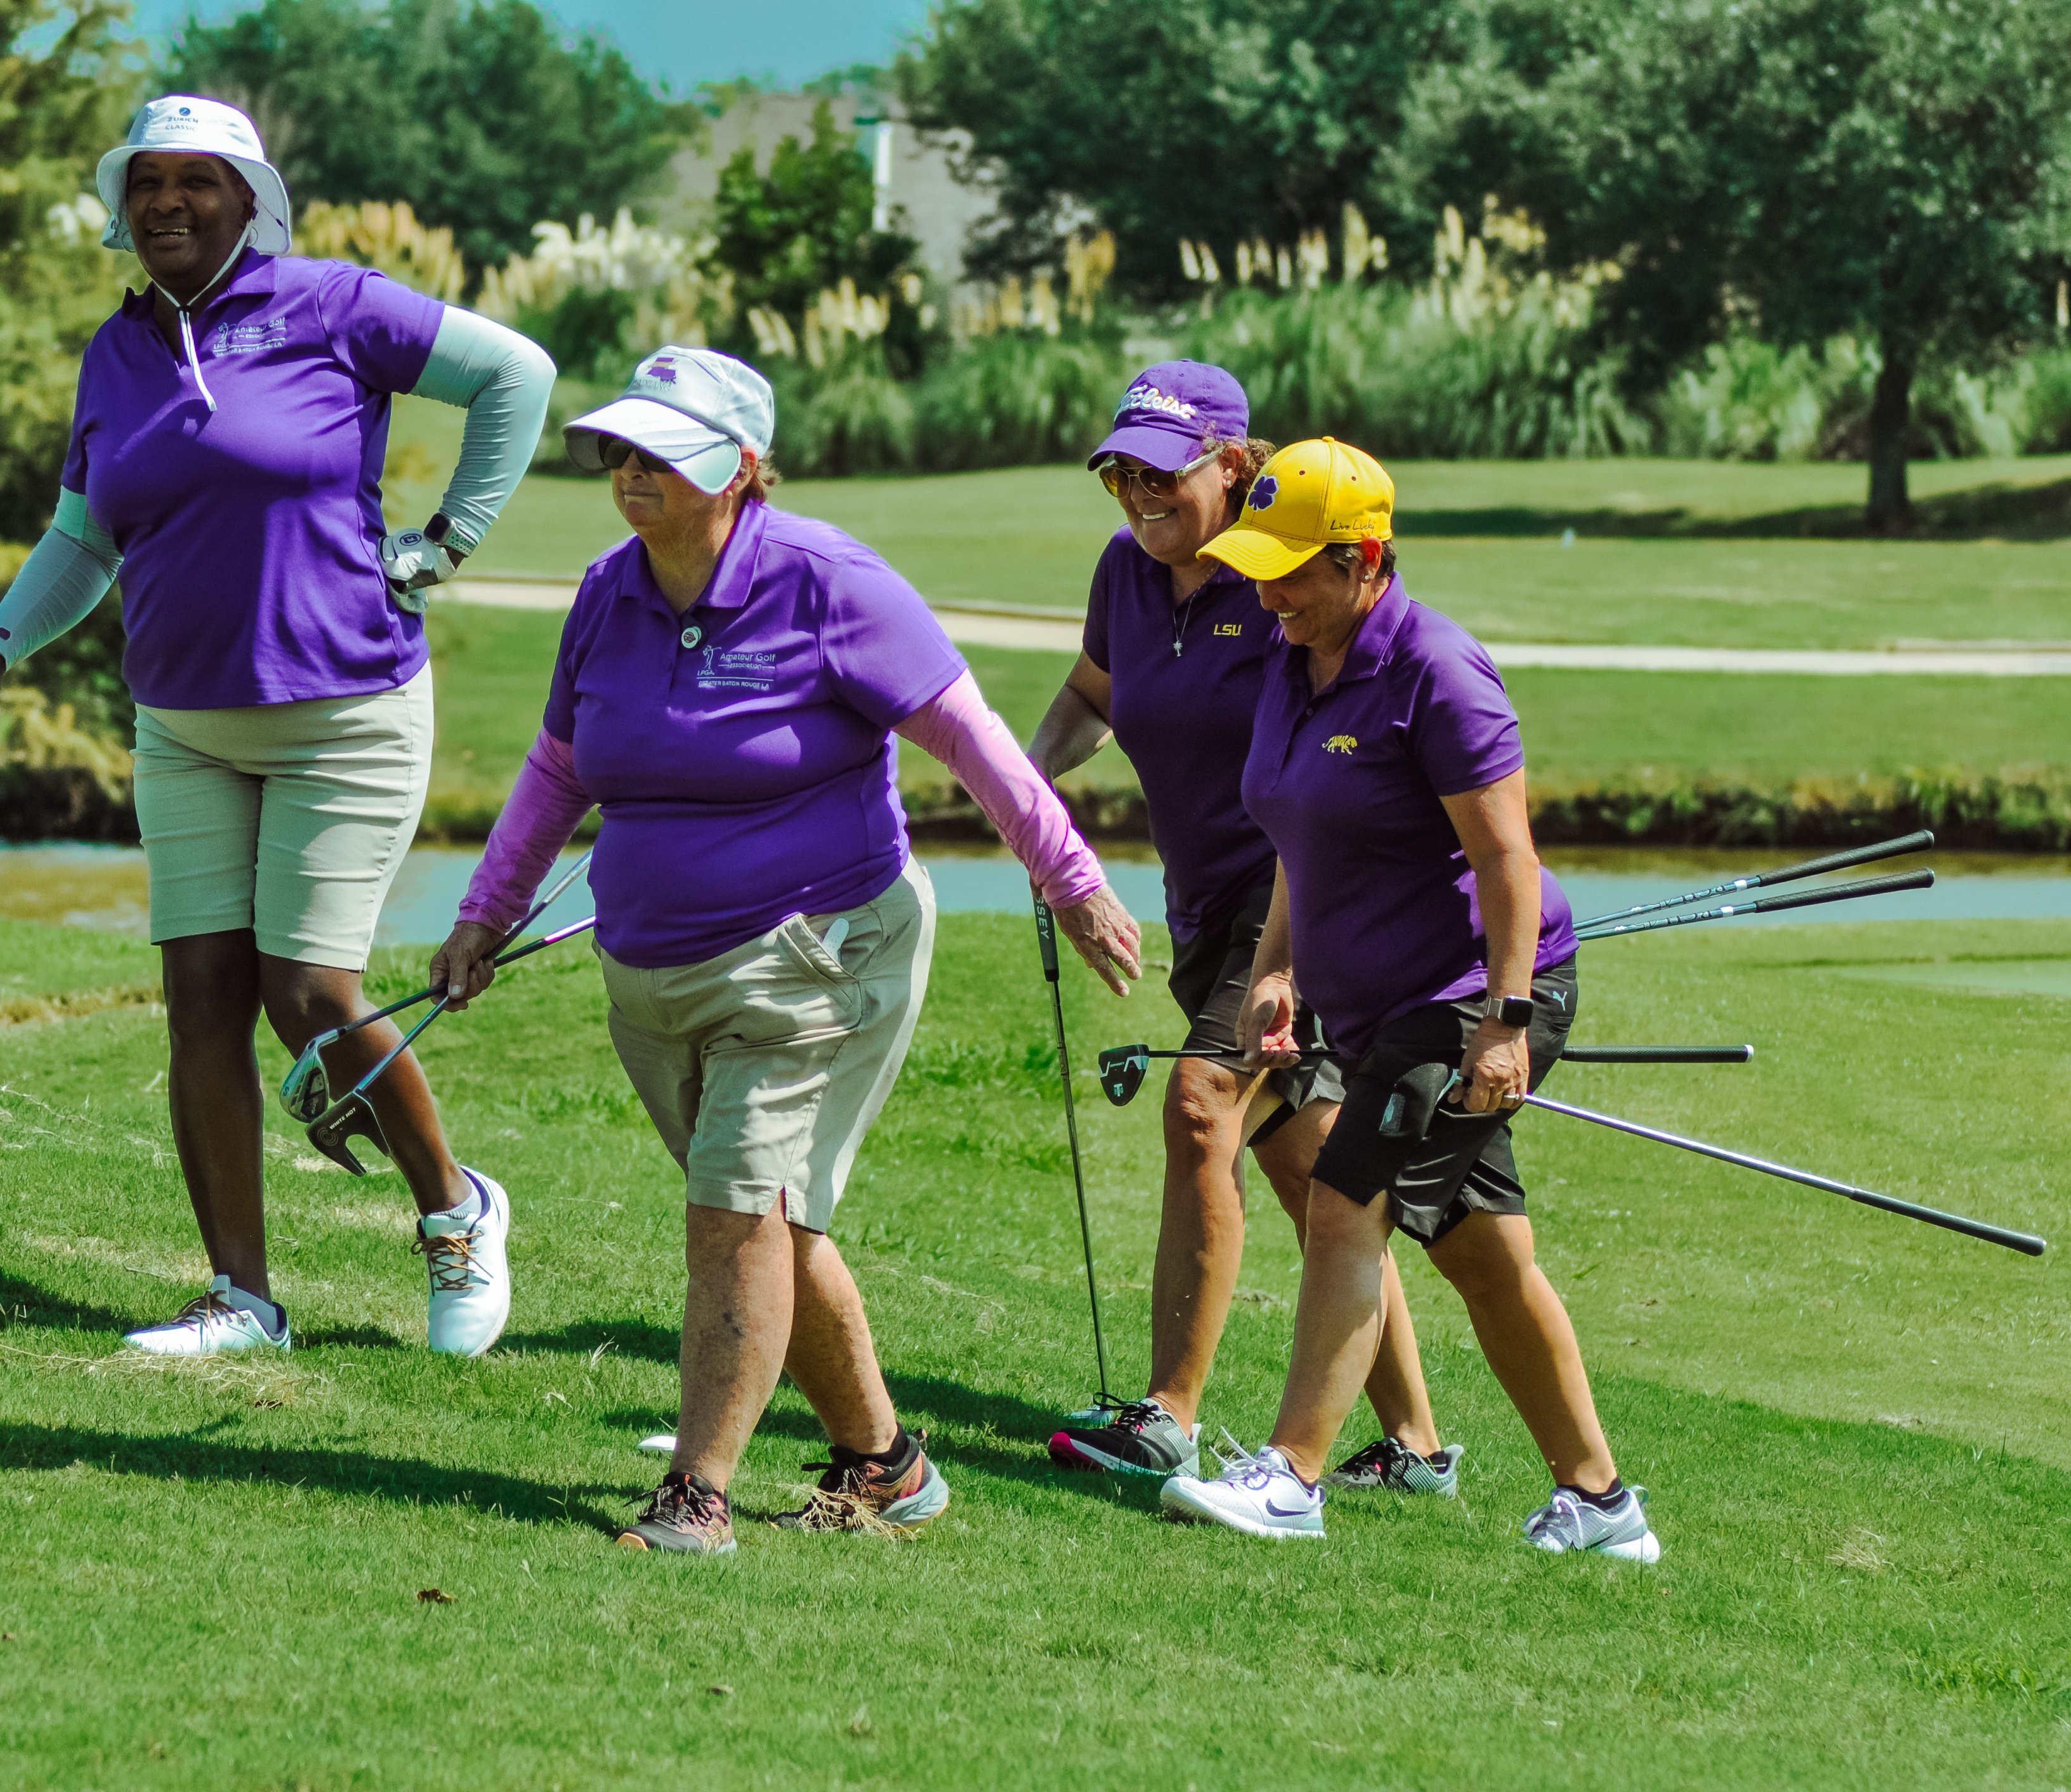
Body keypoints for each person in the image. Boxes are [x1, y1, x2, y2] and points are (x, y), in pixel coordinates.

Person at [434, 347, 1144, 1554]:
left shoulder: (831, 584)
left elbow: (971, 742)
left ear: (743, 470)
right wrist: (482, 914)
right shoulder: (609, 593)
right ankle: (886, 1463)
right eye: (623, 447)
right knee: (771, 1222)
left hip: (822, 952)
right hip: (652, 968)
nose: (633, 470)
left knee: (737, 1213)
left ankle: (697, 1496)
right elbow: (561, 768)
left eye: (666, 452)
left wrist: (1070, 877)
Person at [0, 96, 556, 1360]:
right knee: (199, 997)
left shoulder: (331, 305)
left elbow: (514, 373)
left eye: (196, 181)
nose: (166, 200)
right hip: (184, 718)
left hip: (346, 713)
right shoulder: (113, 356)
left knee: (310, 989)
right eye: (146, 180)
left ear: (247, 197)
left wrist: (445, 543)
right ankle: (242, 1296)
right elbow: (83, 536)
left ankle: (455, 1206)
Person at [1159, 437, 1660, 1561]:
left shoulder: (1437, 670)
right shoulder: (1296, 663)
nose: (1267, 589)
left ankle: (1291, 1478)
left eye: (1291, 569)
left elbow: (1507, 863)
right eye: (1260, 564)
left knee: (1345, 1206)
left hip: (1474, 995)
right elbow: (1295, 837)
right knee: (1483, 1253)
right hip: (1384, 1005)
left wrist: (1509, 1023)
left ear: (1366, 559)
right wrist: (1278, 968)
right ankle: (1602, 1502)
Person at [1028, 366, 1453, 1496]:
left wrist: (1295, 955)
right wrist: (1023, 785)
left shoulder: (1278, 586)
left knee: (1201, 1106)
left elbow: (1332, 765)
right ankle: (1415, 1448)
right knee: (1321, 1171)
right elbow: (1092, 698)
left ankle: (1168, 1415)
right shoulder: (1127, 573)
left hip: (1298, 903)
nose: (1136, 492)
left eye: (1161, 471)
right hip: (1205, 908)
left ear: (1232, 464)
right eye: (1119, 470)